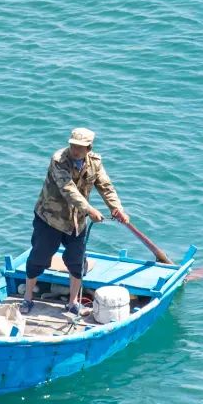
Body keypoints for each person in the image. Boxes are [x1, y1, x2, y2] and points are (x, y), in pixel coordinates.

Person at [18, 127, 129, 315]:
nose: (75, 150)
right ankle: (27, 298)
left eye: (80, 147)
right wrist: (90, 210)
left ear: (89, 148)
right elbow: (69, 190)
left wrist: (116, 208)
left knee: (76, 261)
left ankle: (72, 304)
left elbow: (105, 187)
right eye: (73, 146)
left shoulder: (95, 162)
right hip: (49, 219)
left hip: (76, 221)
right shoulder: (58, 160)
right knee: (39, 257)